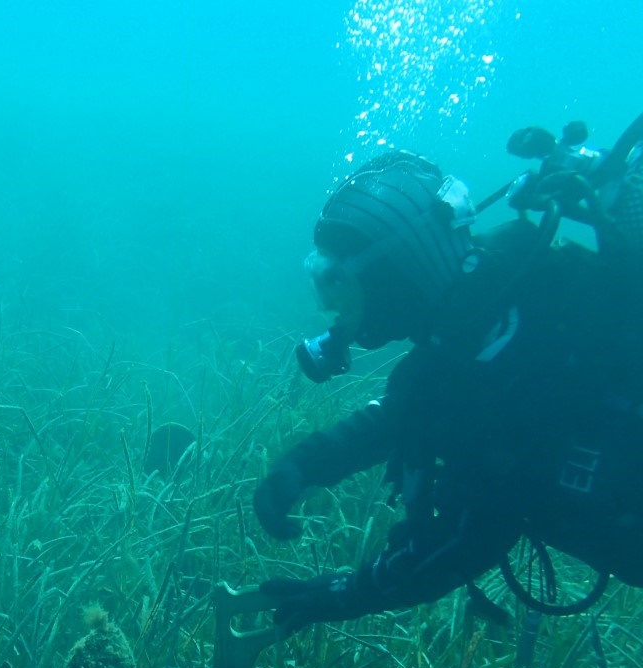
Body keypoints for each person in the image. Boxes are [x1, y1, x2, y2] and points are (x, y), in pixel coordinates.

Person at [251, 126, 643, 635]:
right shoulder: (477, 322)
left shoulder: (504, 350)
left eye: (339, 286)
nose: (334, 313)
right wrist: (304, 463)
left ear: (394, 278)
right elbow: (405, 413)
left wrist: (350, 593)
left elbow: (472, 533)